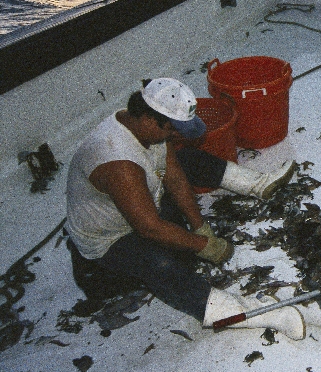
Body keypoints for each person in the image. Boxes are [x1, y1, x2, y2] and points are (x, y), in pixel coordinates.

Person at [65, 77, 305, 339]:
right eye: (173, 130)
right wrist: (205, 246)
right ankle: (262, 314)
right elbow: (150, 229)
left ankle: (258, 184)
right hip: (109, 245)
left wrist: (200, 226)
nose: (176, 136)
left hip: (145, 205)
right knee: (162, 266)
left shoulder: (144, 125)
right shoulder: (118, 162)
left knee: (188, 159)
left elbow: (175, 176)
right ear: (148, 119)